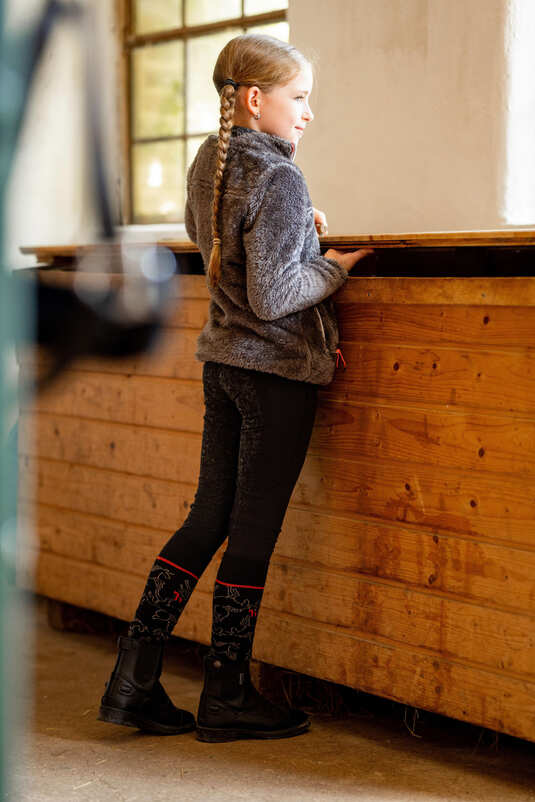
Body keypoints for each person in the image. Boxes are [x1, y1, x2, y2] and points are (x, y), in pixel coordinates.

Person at [98, 33, 373, 743]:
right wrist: (334, 266)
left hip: (223, 366)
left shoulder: (209, 161)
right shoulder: (279, 176)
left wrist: (301, 234)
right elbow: (276, 295)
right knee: (251, 533)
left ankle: (132, 679)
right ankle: (227, 695)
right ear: (254, 99)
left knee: (206, 519)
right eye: (298, 96)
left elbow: (231, 259)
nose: (307, 112)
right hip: (273, 376)